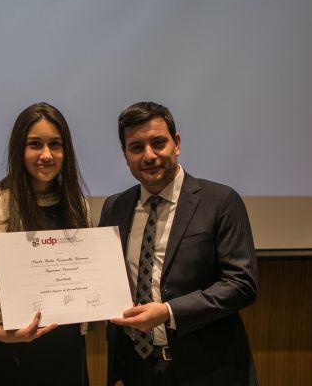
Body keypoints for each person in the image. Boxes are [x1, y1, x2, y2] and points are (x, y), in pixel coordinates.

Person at [99, 101, 258, 386]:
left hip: (207, 371)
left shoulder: (220, 201)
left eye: (158, 143)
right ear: (125, 155)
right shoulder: (115, 207)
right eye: (136, 147)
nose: (149, 155)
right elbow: (104, 280)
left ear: (177, 143)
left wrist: (168, 312)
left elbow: (241, 284)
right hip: (137, 369)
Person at [0, 102, 90, 386]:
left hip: (66, 357)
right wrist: (0, 332)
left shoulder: (79, 208)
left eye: (55, 144)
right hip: (5, 358)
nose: (46, 155)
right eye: (35, 144)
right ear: (18, 149)